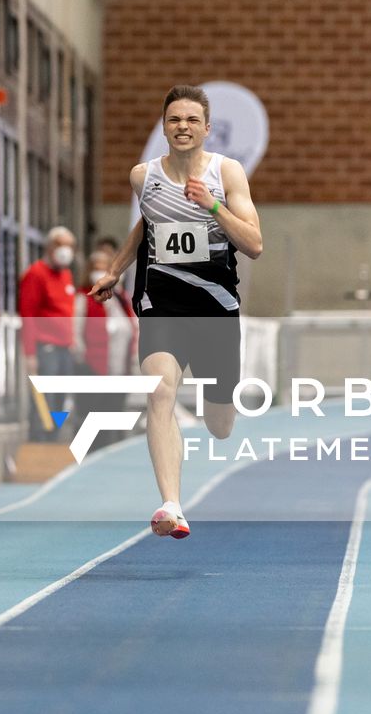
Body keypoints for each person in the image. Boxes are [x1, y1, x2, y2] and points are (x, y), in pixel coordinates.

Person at [91, 85, 263, 540]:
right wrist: (115, 271)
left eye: (191, 120)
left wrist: (213, 205)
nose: (182, 127)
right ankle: (171, 504)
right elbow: (147, 223)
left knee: (220, 424)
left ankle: (218, 406)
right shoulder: (142, 176)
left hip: (216, 308)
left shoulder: (228, 173)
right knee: (161, 391)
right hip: (159, 303)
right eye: (174, 120)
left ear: (207, 128)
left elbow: (254, 243)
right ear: (164, 127)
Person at [20, 226, 82, 435]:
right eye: (60, 245)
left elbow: (68, 311)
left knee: (61, 398)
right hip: (45, 348)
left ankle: (54, 435)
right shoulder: (36, 274)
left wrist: (72, 340)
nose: (65, 250)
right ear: (49, 246)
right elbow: (27, 315)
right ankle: (40, 440)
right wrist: (30, 354)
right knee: (44, 398)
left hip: (65, 349)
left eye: (70, 246)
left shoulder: (66, 274)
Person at [78, 238, 139, 438]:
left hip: (119, 368)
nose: (100, 272)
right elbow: (75, 331)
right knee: (95, 417)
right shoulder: (83, 298)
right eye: (96, 268)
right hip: (93, 367)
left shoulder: (122, 298)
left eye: (105, 268)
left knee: (115, 414)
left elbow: (133, 328)